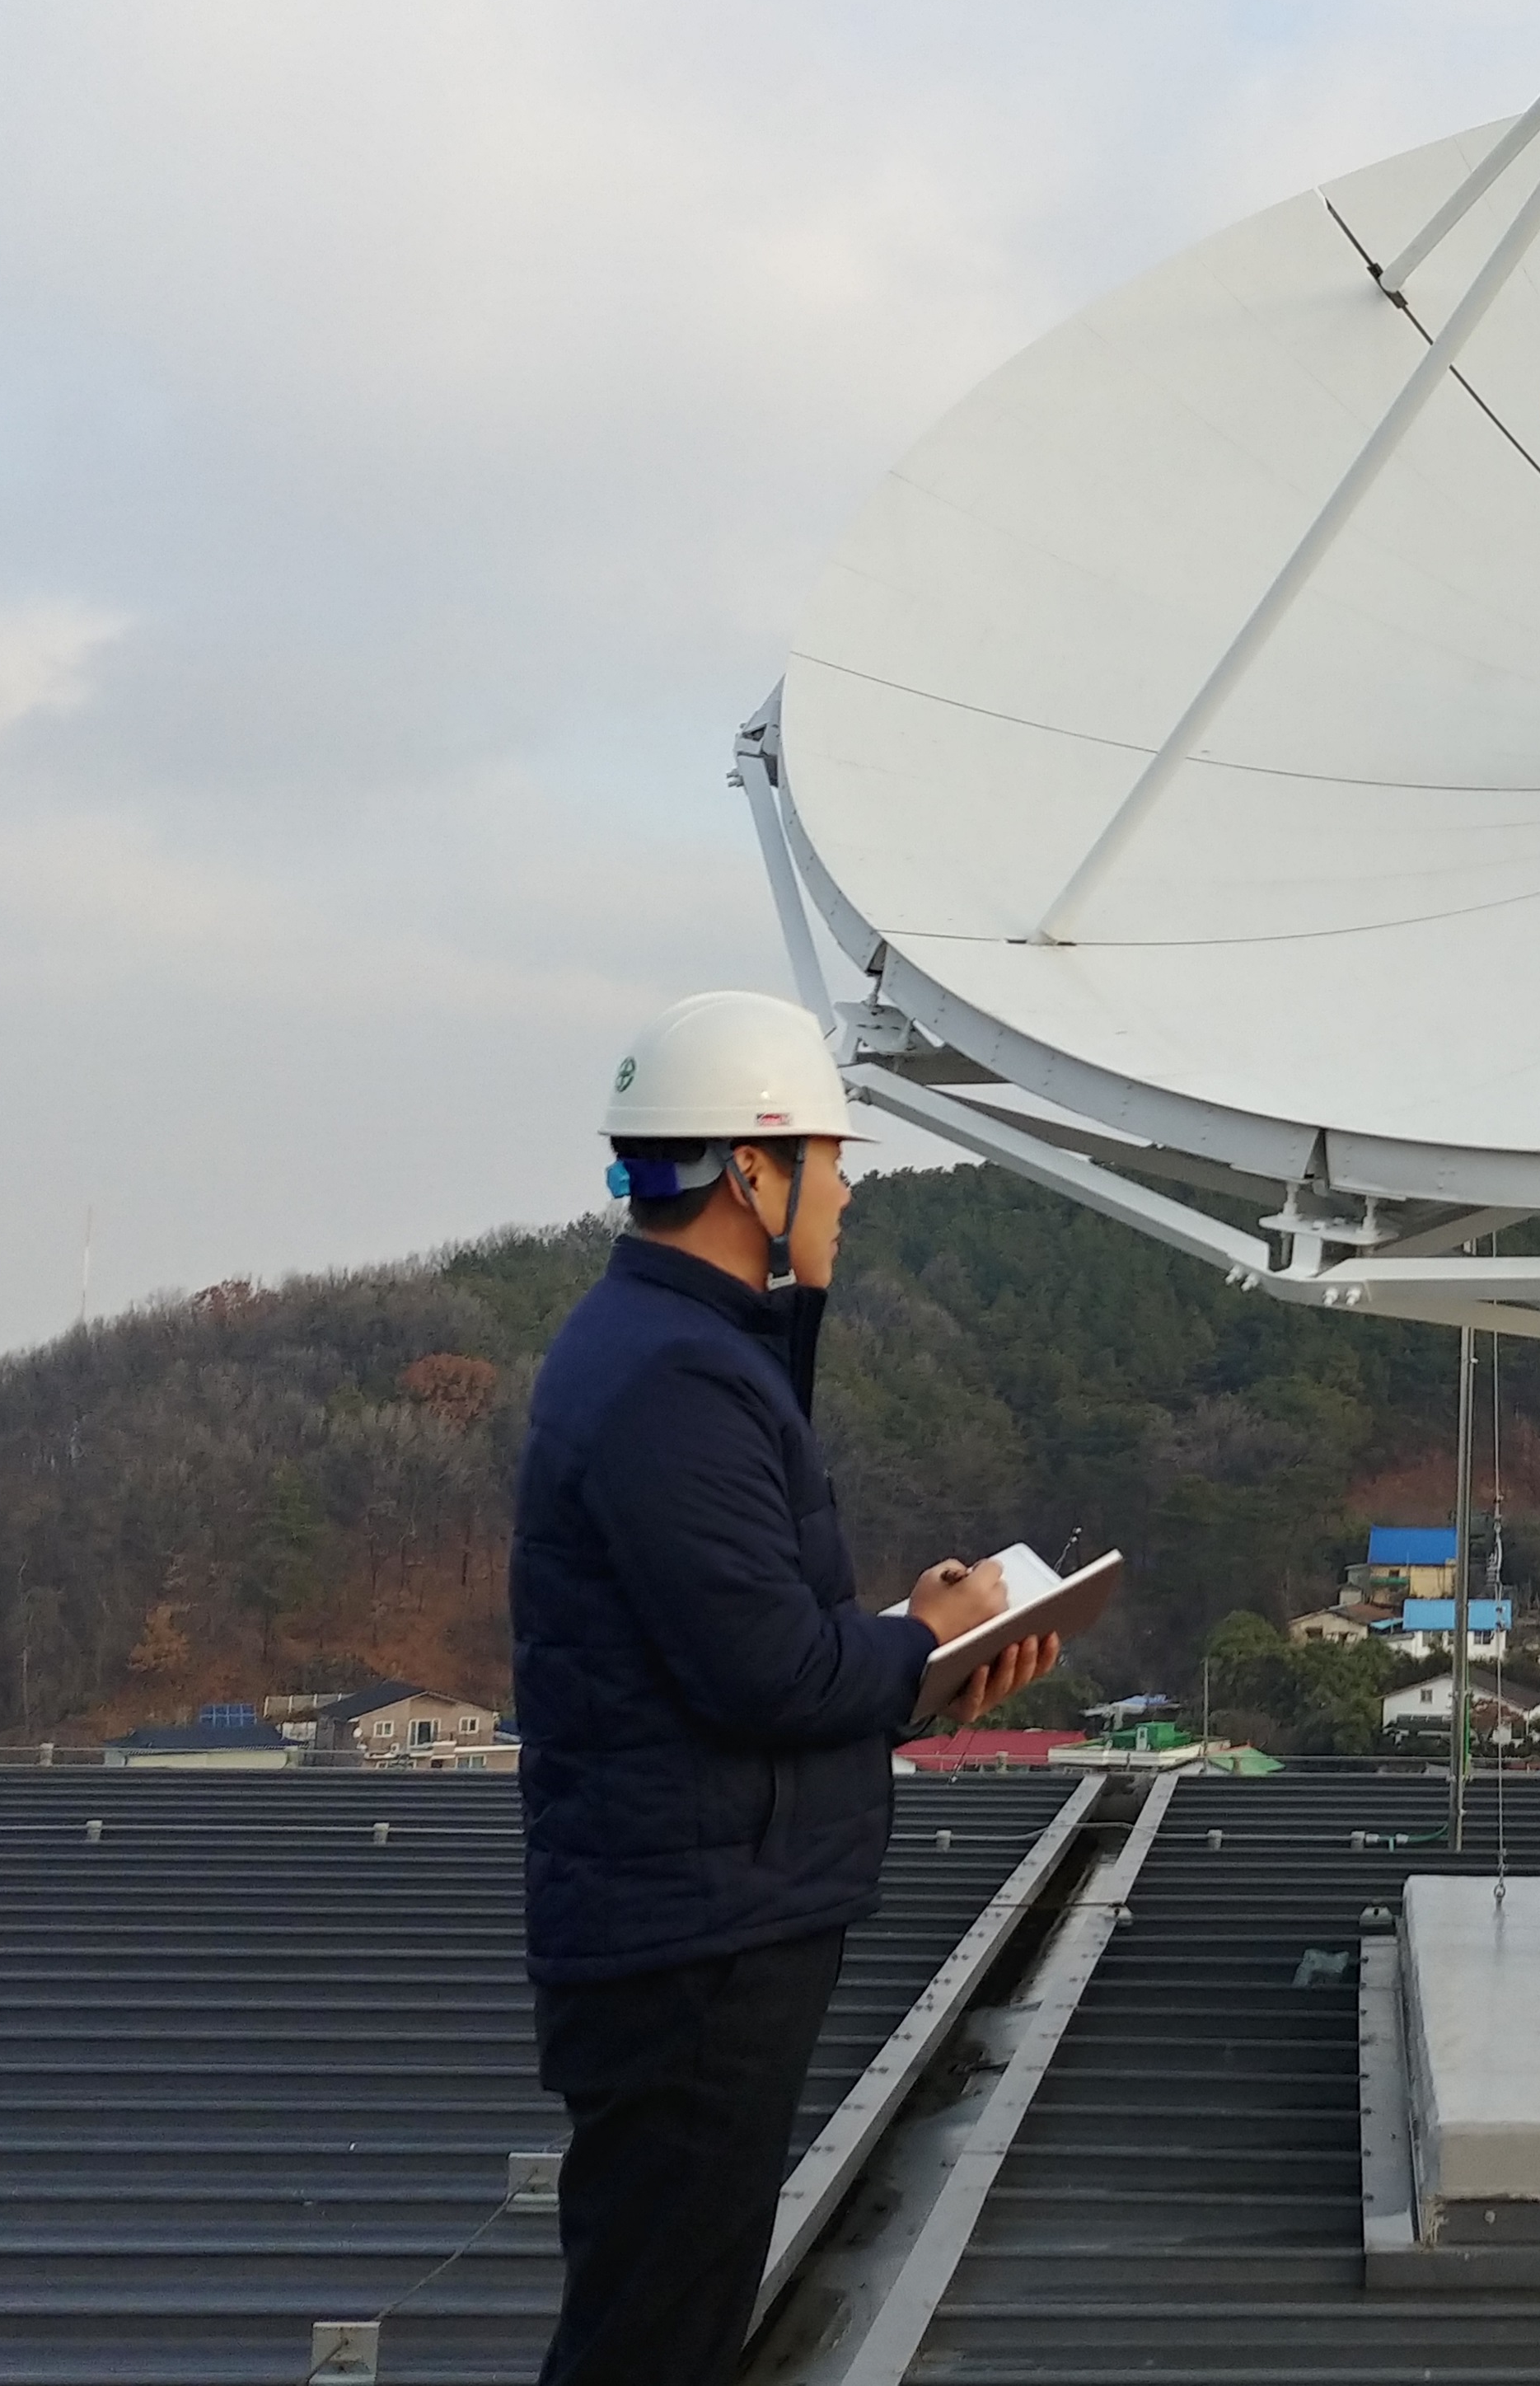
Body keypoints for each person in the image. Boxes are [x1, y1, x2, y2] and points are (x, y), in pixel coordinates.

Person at [512, 990, 1060, 2386]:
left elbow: (733, 1647)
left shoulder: (670, 1349)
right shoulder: (674, 1379)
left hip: (698, 1911)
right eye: (830, 1150)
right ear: (751, 1171)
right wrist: (908, 1639)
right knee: (654, 2338)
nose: (851, 1183)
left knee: (662, 2318)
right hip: (692, 1942)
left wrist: (920, 1665)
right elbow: (766, 1667)